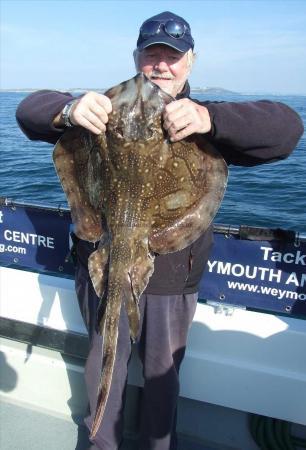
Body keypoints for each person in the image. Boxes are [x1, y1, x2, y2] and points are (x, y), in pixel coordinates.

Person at [16, 10, 303, 450]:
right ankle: (100, 443)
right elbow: (28, 111)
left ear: (190, 61)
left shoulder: (206, 118)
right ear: (137, 59)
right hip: (104, 257)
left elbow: (286, 129)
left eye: (172, 57)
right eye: (152, 57)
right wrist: (69, 108)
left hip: (172, 274)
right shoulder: (105, 110)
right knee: (104, 356)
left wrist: (210, 121)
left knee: (161, 372)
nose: (161, 67)